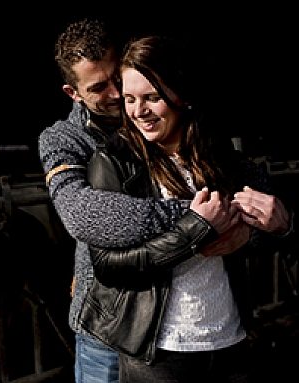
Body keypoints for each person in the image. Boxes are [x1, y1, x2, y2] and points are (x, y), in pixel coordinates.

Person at [79, 34, 296, 382]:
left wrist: (280, 226)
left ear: (185, 95)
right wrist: (196, 228)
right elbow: (108, 267)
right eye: (131, 99)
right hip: (160, 353)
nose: (139, 112)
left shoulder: (221, 157)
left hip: (230, 342)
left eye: (153, 98)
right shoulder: (114, 161)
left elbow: (274, 233)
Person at [38, 19, 195, 382]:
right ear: (72, 93)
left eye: (116, 78)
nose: (115, 93)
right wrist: (195, 217)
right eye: (98, 87)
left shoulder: (160, 113)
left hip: (181, 318)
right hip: (107, 324)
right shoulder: (62, 139)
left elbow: (237, 174)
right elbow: (82, 215)